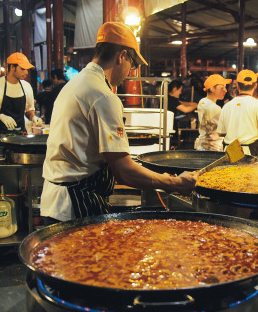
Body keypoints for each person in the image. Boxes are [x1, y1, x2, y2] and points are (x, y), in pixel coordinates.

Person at [40, 22, 197, 224]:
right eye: (132, 63)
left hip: (56, 202)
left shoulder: (76, 84)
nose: (131, 71)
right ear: (121, 56)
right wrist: (174, 183)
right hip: (76, 206)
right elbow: (123, 172)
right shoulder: (102, 96)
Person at [217, 70, 258, 156]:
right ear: (255, 86)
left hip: (230, 152)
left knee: (230, 169)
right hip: (248, 153)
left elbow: (221, 132)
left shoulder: (227, 106)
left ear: (237, 85)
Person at [0, 52, 43, 131]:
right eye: (22, 69)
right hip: (0, 135)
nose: (26, 72)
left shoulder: (27, 86)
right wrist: (0, 116)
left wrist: (33, 117)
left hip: (21, 135)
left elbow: (28, 110)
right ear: (12, 67)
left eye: (27, 69)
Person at [194, 74, 231, 151]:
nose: (225, 90)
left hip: (201, 145)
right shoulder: (215, 108)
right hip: (213, 147)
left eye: (225, 87)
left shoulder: (202, 102)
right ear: (212, 89)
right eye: (222, 88)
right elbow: (224, 130)